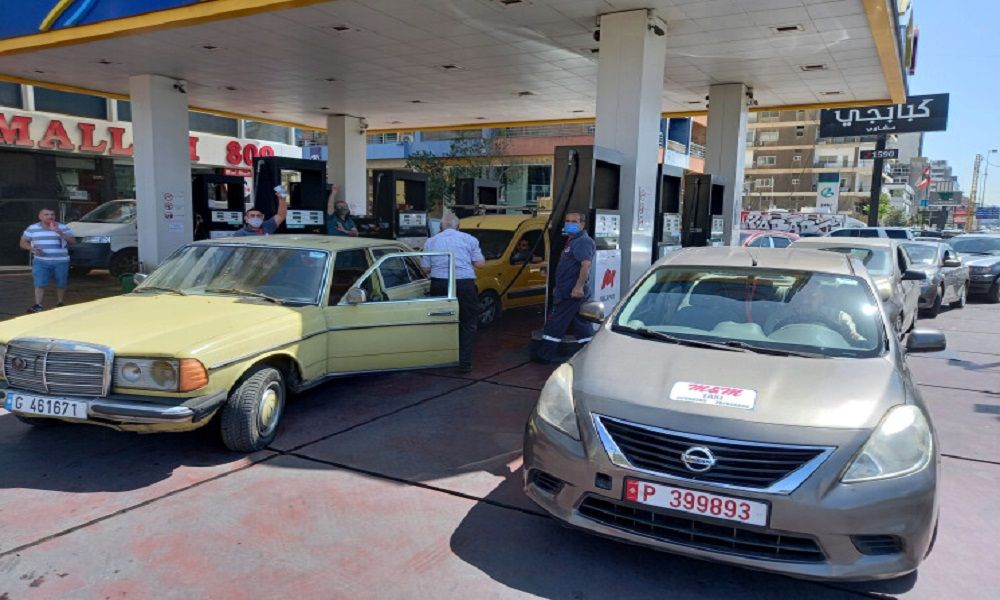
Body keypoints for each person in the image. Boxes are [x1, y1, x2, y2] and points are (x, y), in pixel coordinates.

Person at [421, 212, 485, 373]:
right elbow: (480, 264)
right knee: (468, 322)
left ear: (440, 227)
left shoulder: (431, 241)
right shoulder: (470, 239)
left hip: (440, 283)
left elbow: (425, 269)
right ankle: (464, 363)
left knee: (440, 321)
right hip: (464, 284)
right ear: (459, 226)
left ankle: (442, 359)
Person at [533, 211, 596, 364]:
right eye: (567, 221)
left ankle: (544, 355)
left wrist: (578, 287)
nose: (569, 224)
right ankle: (590, 354)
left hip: (571, 291)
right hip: (568, 290)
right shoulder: (572, 241)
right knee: (582, 325)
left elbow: (585, 265)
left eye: (574, 221)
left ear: (582, 224)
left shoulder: (582, 241)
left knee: (556, 321)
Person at [766, 282, 866, 344]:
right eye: (801, 296)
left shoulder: (836, 316)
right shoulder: (779, 317)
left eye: (811, 296)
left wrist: (854, 334)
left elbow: (852, 332)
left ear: (822, 298)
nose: (805, 301)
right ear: (793, 298)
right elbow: (767, 339)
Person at [20, 208, 76, 313]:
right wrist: (32, 249)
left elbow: (73, 241)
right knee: (39, 283)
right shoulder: (32, 228)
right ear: (40, 216)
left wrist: (60, 233)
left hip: (61, 261)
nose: (50, 217)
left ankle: (60, 302)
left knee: (61, 282)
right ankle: (38, 305)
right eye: (46, 214)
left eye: (52, 214)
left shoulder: (63, 227)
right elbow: (23, 243)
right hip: (41, 261)